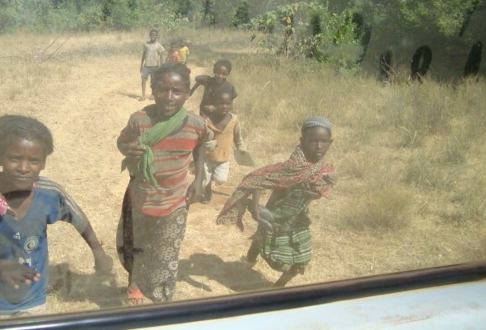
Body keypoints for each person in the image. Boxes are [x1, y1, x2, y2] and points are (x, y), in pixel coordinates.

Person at [0, 114, 113, 320]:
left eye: (34, 161)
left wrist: (98, 252)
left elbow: (79, 219)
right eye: (14, 158)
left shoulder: (50, 193)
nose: (24, 168)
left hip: (35, 303)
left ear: (43, 163)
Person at [117, 62, 209, 305]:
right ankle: (134, 283)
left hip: (175, 201)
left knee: (166, 254)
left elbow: (201, 147)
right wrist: (128, 150)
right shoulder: (140, 120)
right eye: (162, 89)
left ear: (187, 93)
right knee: (136, 246)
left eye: (176, 91)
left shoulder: (196, 124)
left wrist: (199, 179)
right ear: (153, 89)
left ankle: (162, 301)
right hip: (141, 198)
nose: (169, 97)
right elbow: (122, 142)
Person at [216, 116, 336, 287]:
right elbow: (256, 179)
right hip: (275, 216)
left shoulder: (324, 169)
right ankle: (249, 260)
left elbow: (325, 184)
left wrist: (316, 193)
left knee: (301, 259)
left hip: (298, 220)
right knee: (265, 242)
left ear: (330, 143)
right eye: (313, 141)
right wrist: (255, 208)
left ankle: (278, 288)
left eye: (324, 141)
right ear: (302, 141)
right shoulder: (290, 168)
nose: (318, 146)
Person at [201, 89, 247, 204]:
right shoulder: (207, 121)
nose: (224, 106)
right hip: (208, 156)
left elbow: (238, 138)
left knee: (220, 179)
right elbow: (201, 138)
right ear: (215, 104)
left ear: (231, 104)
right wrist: (206, 143)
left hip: (223, 158)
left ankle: (211, 179)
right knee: (204, 181)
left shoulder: (234, 120)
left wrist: (242, 149)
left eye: (228, 103)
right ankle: (207, 192)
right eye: (221, 103)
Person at [140, 29, 165, 101]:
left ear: (157, 36)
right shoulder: (146, 44)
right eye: (151, 34)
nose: (153, 36)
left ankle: (153, 94)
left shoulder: (158, 45)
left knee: (153, 80)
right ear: (149, 35)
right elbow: (143, 55)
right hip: (147, 65)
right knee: (143, 79)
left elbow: (161, 55)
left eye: (154, 35)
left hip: (155, 66)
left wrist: (161, 66)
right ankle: (143, 95)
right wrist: (141, 65)